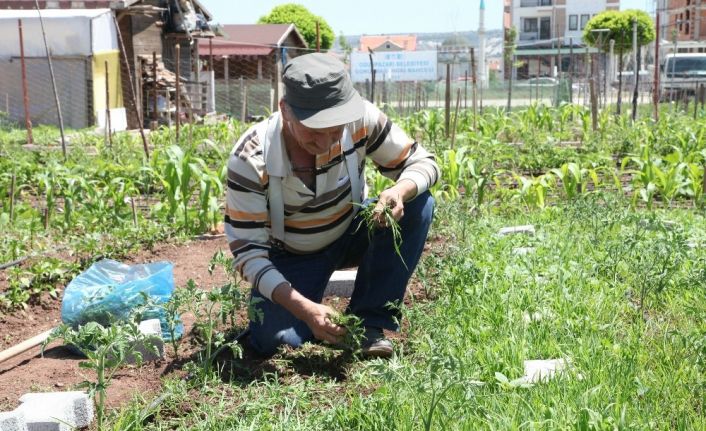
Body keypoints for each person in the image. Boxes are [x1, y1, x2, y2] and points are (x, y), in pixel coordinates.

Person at [225, 53, 439, 358]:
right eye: (314, 130)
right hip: (292, 253)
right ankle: (310, 315)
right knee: (277, 342)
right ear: (285, 110)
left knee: (419, 202)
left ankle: (368, 322)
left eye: (334, 129)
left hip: (350, 231)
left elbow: (423, 162)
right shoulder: (250, 159)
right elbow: (248, 254)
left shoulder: (361, 120)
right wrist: (305, 309)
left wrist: (400, 190)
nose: (326, 141)